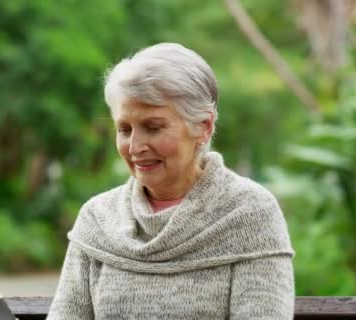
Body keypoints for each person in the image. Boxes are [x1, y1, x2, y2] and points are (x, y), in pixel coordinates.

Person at [46, 42, 295, 319]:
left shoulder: (250, 213)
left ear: (203, 126)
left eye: (153, 128)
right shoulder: (97, 218)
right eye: (124, 129)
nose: (135, 146)